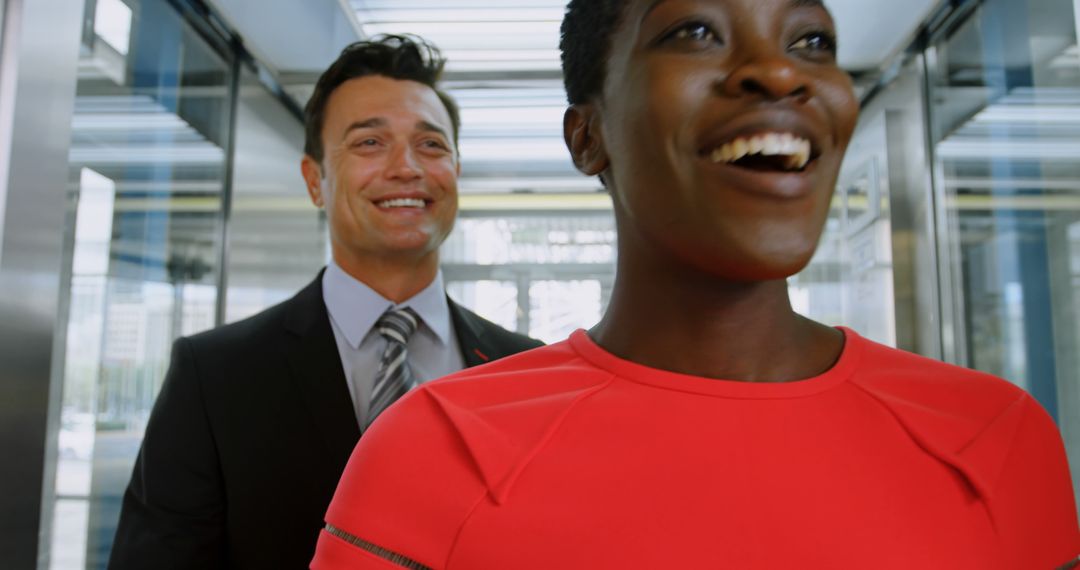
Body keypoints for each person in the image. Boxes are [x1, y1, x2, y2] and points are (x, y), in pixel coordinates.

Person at [310, 1, 1080, 569]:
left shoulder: (994, 440)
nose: (780, 71)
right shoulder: (433, 453)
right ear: (589, 135)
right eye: (693, 31)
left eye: (811, 41)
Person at [108, 35, 542, 570]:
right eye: (369, 143)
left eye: (432, 145)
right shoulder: (214, 376)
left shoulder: (526, 371)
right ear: (315, 180)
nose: (407, 167)